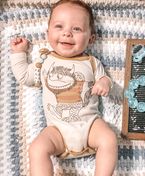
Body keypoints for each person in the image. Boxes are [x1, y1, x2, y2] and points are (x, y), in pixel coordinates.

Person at [10, 0, 117, 175]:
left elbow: (105, 78)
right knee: (37, 148)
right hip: (57, 129)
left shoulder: (91, 62)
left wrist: (104, 83)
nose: (67, 33)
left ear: (91, 39)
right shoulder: (44, 61)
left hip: (90, 125)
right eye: (59, 26)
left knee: (109, 138)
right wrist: (18, 53)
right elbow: (25, 77)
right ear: (47, 33)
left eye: (77, 29)